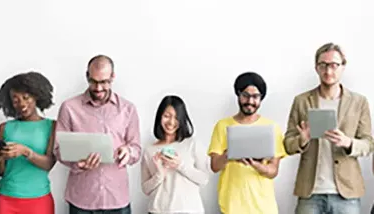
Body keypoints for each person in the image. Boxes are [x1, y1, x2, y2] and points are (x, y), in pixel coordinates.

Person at [284, 43, 373, 214]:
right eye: (323, 65)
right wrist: (302, 140)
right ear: (316, 67)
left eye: (334, 65)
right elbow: (288, 144)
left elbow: (368, 144)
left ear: (343, 66)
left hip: (346, 193)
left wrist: (348, 142)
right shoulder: (301, 101)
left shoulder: (358, 102)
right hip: (310, 192)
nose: (328, 71)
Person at [54, 55, 141, 214]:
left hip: (117, 199)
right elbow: (58, 150)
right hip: (82, 199)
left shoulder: (128, 109)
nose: (98, 88)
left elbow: (136, 148)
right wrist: (78, 165)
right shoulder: (69, 108)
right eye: (93, 81)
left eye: (104, 82)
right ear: (87, 76)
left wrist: (128, 152)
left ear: (112, 77)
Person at [208, 72, 287, 214]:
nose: (250, 101)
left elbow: (273, 171)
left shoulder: (272, 128)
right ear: (238, 95)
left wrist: (255, 165)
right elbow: (214, 166)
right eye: (245, 95)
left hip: (264, 207)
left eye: (255, 96)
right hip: (231, 206)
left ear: (261, 98)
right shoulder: (222, 125)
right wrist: (230, 153)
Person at [0, 71, 57, 214]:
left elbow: (49, 164)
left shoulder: (51, 126)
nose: (21, 104)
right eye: (15, 100)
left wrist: (25, 152)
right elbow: (0, 171)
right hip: (7, 199)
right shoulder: (4, 128)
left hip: (39, 199)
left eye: (26, 97)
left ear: (36, 96)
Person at [141, 95, 210, 214]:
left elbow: (204, 179)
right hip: (157, 211)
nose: (171, 122)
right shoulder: (149, 150)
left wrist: (180, 165)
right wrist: (159, 174)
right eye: (166, 116)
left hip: (189, 210)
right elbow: (145, 189)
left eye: (176, 117)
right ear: (159, 117)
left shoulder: (192, 144)